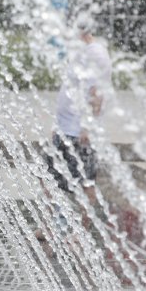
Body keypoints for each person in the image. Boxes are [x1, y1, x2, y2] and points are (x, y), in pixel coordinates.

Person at [44, 19, 112, 210]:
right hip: (64, 128)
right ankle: (49, 228)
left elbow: (97, 94)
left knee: (85, 183)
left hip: (80, 132)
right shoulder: (81, 52)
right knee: (48, 175)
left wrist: (88, 127)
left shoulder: (97, 54)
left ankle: (82, 233)